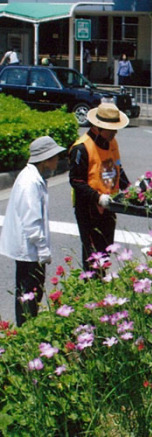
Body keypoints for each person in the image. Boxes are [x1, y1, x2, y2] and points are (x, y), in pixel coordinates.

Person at [0, 136, 66, 326]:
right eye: (54, 157)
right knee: (29, 293)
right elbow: (32, 223)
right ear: (45, 159)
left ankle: (27, 329)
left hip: (27, 248)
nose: (56, 162)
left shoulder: (32, 177)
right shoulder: (30, 183)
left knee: (27, 292)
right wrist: (44, 250)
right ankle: (27, 331)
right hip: (29, 249)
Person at [69, 102, 130, 272]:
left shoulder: (112, 142)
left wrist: (132, 190)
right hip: (89, 208)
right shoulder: (81, 148)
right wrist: (98, 197)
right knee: (92, 253)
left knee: (106, 250)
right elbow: (76, 181)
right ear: (98, 127)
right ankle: (91, 286)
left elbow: (118, 168)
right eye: (112, 129)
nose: (115, 132)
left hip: (109, 205)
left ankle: (102, 285)